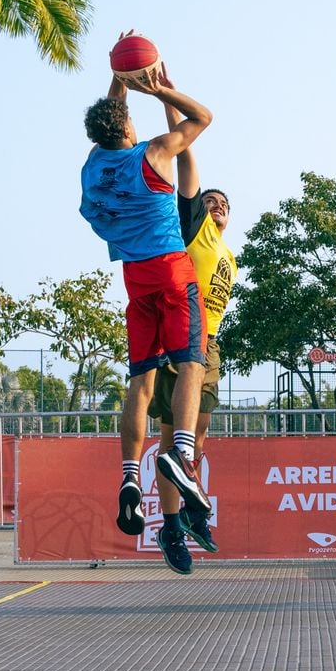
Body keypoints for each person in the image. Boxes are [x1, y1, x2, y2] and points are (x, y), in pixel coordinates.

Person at [79, 51, 213, 575]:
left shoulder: (95, 166)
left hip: (134, 280)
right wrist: (159, 90)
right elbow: (203, 118)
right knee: (192, 365)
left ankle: (130, 477)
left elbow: (111, 118)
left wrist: (119, 78)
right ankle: (181, 454)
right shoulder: (151, 154)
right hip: (171, 272)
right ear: (130, 125)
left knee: (140, 381)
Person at [144, 85, 237, 554]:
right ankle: (172, 524)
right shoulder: (194, 225)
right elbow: (184, 151)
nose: (217, 206)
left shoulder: (229, 256)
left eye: (224, 205)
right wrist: (168, 97)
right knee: (170, 436)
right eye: (212, 201)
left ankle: (189, 508)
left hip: (211, 343)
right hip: (180, 335)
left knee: (197, 436)